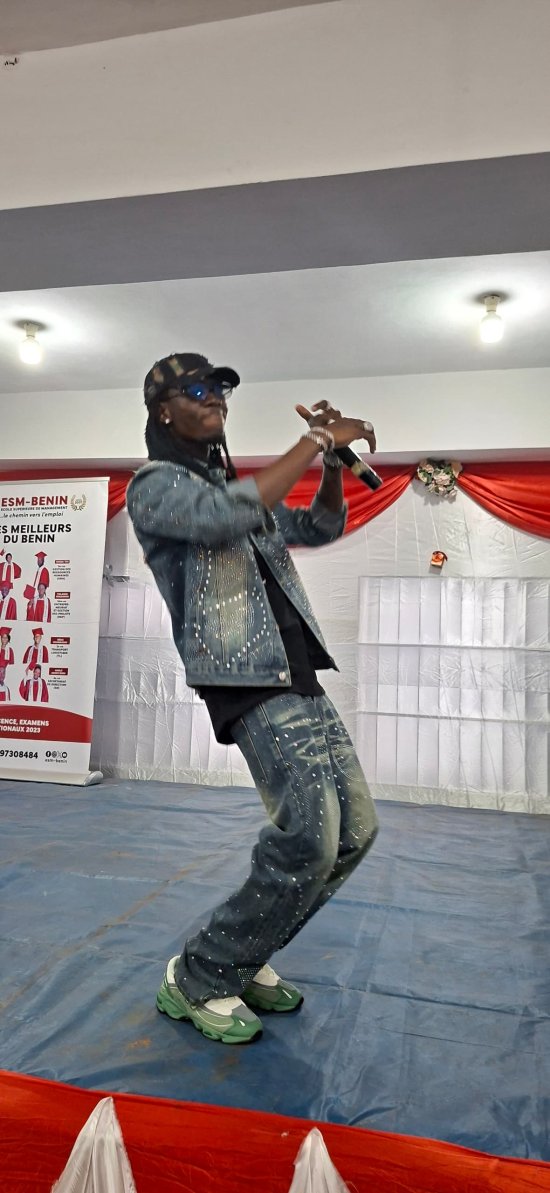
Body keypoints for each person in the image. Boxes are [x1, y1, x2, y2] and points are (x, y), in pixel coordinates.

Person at [127, 352, 378, 1046]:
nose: (216, 398)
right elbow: (223, 516)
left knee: (354, 832)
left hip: (297, 671)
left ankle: (245, 951)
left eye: (221, 389)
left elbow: (320, 528)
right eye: (197, 389)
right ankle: (201, 974)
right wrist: (316, 439)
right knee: (309, 839)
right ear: (164, 412)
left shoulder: (237, 489)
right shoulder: (155, 487)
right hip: (244, 678)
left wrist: (333, 468)